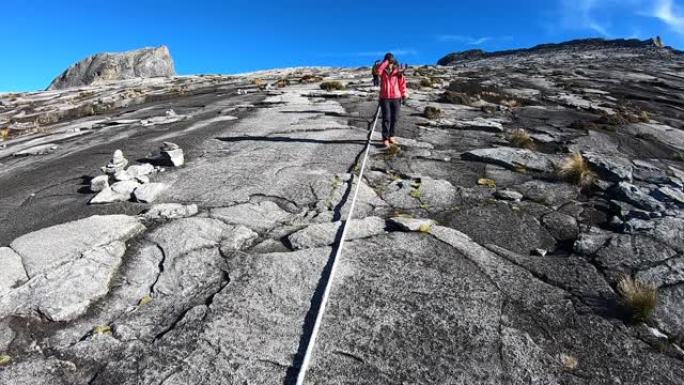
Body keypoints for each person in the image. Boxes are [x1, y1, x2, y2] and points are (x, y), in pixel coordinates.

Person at [376, 53, 408, 148]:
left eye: (391, 60)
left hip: (396, 97)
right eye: (388, 60)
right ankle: (385, 138)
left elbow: (402, 83)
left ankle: (392, 136)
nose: (390, 62)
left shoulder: (398, 70)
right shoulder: (382, 70)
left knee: (395, 118)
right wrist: (385, 62)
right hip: (385, 97)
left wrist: (404, 93)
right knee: (386, 118)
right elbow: (378, 71)